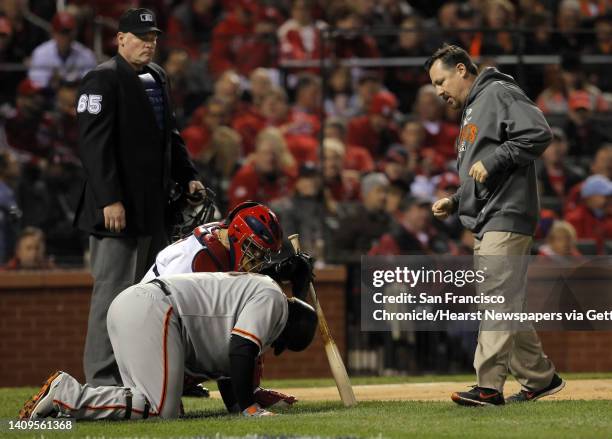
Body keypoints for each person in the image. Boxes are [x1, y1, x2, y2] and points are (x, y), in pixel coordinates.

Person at [427, 44, 564, 406]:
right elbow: (481, 169)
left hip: (507, 213)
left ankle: (488, 386)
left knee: (496, 303)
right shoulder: (475, 106)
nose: (438, 91)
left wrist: (496, 159)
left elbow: (538, 131)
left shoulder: (498, 91)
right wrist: (456, 201)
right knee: (505, 304)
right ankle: (541, 378)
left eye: (441, 81)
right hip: (491, 215)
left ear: (461, 69)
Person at [74, 8, 204, 387]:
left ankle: (148, 376)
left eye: (153, 38)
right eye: (140, 36)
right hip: (118, 210)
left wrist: (188, 175)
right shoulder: (101, 79)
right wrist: (109, 199)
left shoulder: (157, 76)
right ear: (120, 39)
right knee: (112, 298)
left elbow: (170, 135)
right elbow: (94, 147)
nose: (148, 43)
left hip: (153, 209)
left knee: (152, 298)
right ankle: (101, 380)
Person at [19, 272, 318, 420]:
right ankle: (66, 394)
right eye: (282, 344)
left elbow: (230, 366)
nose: (274, 346)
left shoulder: (258, 290)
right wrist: (251, 410)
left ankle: (60, 411)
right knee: (160, 410)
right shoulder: (274, 299)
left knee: (145, 402)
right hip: (156, 311)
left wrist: (242, 404)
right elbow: (241, 350)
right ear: (288, 330)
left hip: (139, 305)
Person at [141, 200, 315, 407]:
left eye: (264, 255)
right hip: (153, 329)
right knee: (240, 324)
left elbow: (229, 281)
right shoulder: (195, 260)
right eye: (256, 250)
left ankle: (241, 391)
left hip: (165, 321)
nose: (258, 260)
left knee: (241, 314)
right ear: (237, 234)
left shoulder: (221, 239)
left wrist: (280, 271)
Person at [28, 12, 97, 89]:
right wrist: (52, 80)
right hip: (49, 97)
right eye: (62, 32)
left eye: (68, 32)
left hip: (77, 96)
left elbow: (91, 84)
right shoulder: (41, 53)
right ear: (53, 33)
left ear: (74, 33)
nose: (65, 37)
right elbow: (36, 84)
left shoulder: (86, 55)